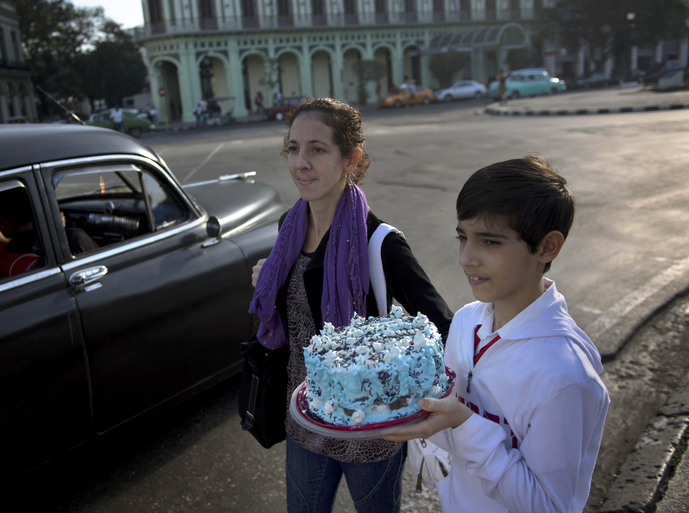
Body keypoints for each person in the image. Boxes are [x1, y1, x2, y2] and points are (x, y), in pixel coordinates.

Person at [249, 97, 452, 513]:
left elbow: (444, 326)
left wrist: (418, 398)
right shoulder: (289, 233)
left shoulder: (381, 243)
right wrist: (267, 281)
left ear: (351, 158)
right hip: (306, 421)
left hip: (371, 436)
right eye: (293, 148)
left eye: (317, 150)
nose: (300, 163)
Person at [384, 155, 609, 512]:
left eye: (490, 242)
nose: (465, 258)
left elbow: (549, 506)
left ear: (547, 247)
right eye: (463, 237)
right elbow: (444, 418)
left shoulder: (565, 377)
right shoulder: (465, 322)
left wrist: (465, 424)